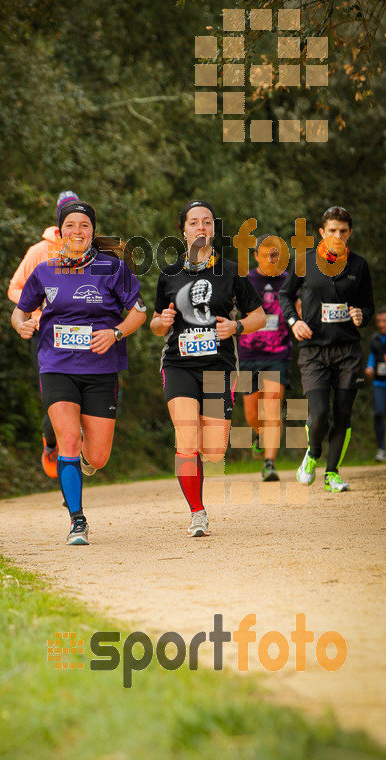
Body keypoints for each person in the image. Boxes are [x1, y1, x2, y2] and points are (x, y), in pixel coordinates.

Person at [11, 201, 146, 545]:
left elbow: (139, 312)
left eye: (84, 225)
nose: (77, 231)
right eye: (70, 225)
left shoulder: (111, 268)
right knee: (68, 440)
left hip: (101, 370)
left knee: (97, 456)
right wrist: (23, 325)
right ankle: (77, 521)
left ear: (92, 232)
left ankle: (82, 464)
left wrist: (115, 332)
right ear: (60, 231)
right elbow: (20, 310)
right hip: (56, 366)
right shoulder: (45, 270)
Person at [151, 200, 265, 537]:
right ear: (183, 230)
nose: (201, 227)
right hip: (178, 365)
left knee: (213, 450)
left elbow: (259, 316)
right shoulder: (169, 274)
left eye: (207, 222)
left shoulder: (231, 272)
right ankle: (197, 512)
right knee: (187, 440)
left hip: (218, 368)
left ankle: (199, 474)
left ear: (213, 229)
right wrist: (163, 321)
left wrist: (237, 327)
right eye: (193, 222)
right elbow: (157, 324)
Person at [279, 206, 374, 492]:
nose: (338, 235)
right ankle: (313, 453)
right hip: (314, 351)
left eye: (343, 231)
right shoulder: (304, 261)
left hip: (348, 351)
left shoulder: (358, 266)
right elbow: (285, 294)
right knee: (319, 413)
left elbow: (368, 305)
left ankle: (332, 473)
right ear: (322, 232)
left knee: (343, 413)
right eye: (332, 230)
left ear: (350, 234)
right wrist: (294, 321)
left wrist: (362, 316)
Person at [8, 190, 79, 478]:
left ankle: (74, 454)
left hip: (82, 333)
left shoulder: (93, 251)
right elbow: (15, 287)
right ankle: (51, 441)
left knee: (82, 394)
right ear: (59, 219)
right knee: (56, 398)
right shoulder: (39, 251)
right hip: (45, 334)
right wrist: (35, 309)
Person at [238, 234, 296, 482]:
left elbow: (299, 307)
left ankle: (269, 464)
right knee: (252, 414)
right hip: (248, 353)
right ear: (256, 256)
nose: (271, 259)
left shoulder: (288, 281)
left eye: (275, 254)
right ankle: (260, 437)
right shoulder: (245, 280)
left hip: (278, 353)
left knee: (272, 404)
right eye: (266, 254)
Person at [365, 306, 386, 462]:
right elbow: (372, 353)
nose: (381, 324)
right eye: (378, 321)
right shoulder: (375, 338)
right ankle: (381, 450)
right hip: (380, 383)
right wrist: (369, 366)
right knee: (378, 413)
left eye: (384, 321)